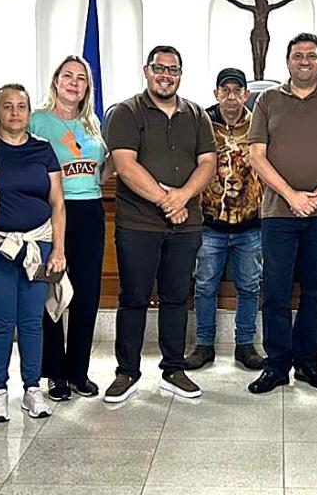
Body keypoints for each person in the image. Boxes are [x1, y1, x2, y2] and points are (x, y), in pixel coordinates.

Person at [246, 32, 317, 394]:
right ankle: (276, 365)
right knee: (276, 291)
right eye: (298, 56)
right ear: (288, 61)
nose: (305, 61)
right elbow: (257, 156)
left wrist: (315, 197)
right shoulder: (266, 100)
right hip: (278, 213)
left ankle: (308, 364)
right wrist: (292, 196)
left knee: (315, 290)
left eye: (311, 55)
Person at [103, 45, 217, 403]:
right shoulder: (126, 112)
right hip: (138, 224)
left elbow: (208, 163)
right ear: (146, 70)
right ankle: (127, 372)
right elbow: (125, 164)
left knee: (175, 297)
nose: (166, 75)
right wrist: (167, 200)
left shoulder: (197, 114)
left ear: (180, 74)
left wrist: (182, 197)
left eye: (173, 69)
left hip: (186, 225)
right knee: (134, 297)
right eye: (159, 68)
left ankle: (173, 369)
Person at [30, 55, 111, 400]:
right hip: (52, 212)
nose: (74, 83)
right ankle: (55, 374)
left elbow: (106, 166)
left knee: (86, 294)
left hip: (90, 211)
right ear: (56, 81)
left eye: (81, 78)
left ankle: (79, 371)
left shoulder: (92, 123)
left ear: (87, 87)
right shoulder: (38, 121)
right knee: (52, 293)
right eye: (68, 76)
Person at [0, 84, 66, 420]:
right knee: (3, 321)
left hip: (39, 243)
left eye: (21, 106)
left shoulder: (43, 150)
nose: (15, 113)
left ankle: (32, 388)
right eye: (8, 106)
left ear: (30, 112)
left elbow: (57, 202)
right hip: (0, 245)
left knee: (33, 320)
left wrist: (58, 249)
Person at [184, 67, 266, 372]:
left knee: (249, 285)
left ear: (246, 94)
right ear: (216, 93)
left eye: (237, 91)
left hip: (250, 224)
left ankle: (245, 345)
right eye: (225, 90)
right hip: (210, 224)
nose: (231, 97)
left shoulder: (260, 123)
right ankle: (203, 345)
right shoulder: (201, 123)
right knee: (204, 285)